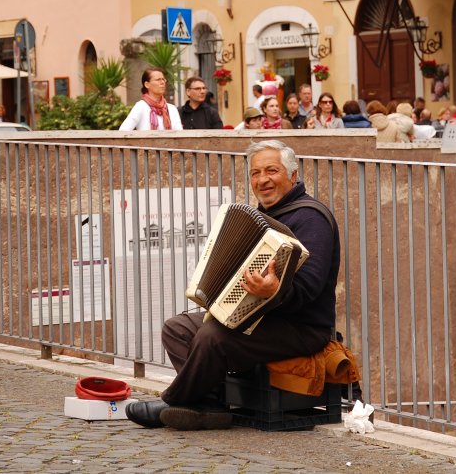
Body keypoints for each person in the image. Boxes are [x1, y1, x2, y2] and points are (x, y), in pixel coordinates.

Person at [125, 140, 340, 430]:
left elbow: (310, 287)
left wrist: (274, 292)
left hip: (303, 327)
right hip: (261, 317)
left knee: (212, 335)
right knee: (177, 328)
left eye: (271, 170)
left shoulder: (312, 218)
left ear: (292, 175)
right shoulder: (262, 217)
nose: (262, 179)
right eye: (255, 173)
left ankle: (174, 400)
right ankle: (210, 405)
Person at [119, 69, 183, 131]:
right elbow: (123, 130)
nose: (162, 82)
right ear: (147, 84)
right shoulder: (141, 106)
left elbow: (180, 134)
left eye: (163, 79)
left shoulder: (172, 108)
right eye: (158, 80)